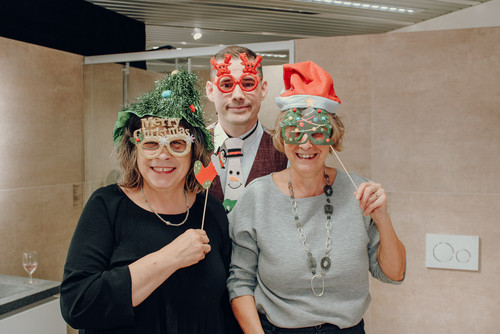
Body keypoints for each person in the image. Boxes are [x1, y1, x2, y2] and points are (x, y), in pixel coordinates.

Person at [227, 61, 406, 333]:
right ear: (282, 138)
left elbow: (395, 274)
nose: (306, 144)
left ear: (332, 138)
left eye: (318, 133)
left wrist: (382, 218)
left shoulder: (359, 192)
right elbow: (239, 282)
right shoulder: (257, 197)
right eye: (295, 133)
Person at [60, 70, 237, 333]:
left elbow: (224, 306)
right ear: (134, 150)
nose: (163, 156)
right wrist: (171, 257)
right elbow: (78, 305)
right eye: (151, 144)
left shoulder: (209, 210)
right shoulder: (107, 206)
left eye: (177, 144)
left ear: (194, 152)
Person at [206, 45, 288, 212]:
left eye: (248, 83)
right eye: (226, 85)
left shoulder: (287, 151)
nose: (238, 95)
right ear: (211, 91)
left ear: (263, 89)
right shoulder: (189, 149)